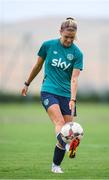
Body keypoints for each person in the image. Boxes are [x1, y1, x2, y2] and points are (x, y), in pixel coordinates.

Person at [21, 17, 84, 173]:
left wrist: (73, 99)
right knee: (60, 123)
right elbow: (37, 66)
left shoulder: (77, 53)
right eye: (66, 37)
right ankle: (70, 143)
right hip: (48, 90)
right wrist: (27, 83)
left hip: (66, 94)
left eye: (72, 37)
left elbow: (74, 79)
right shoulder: (48, 45)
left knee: (68, 129)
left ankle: (55, 166)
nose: (69, 40)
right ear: (60, 32)